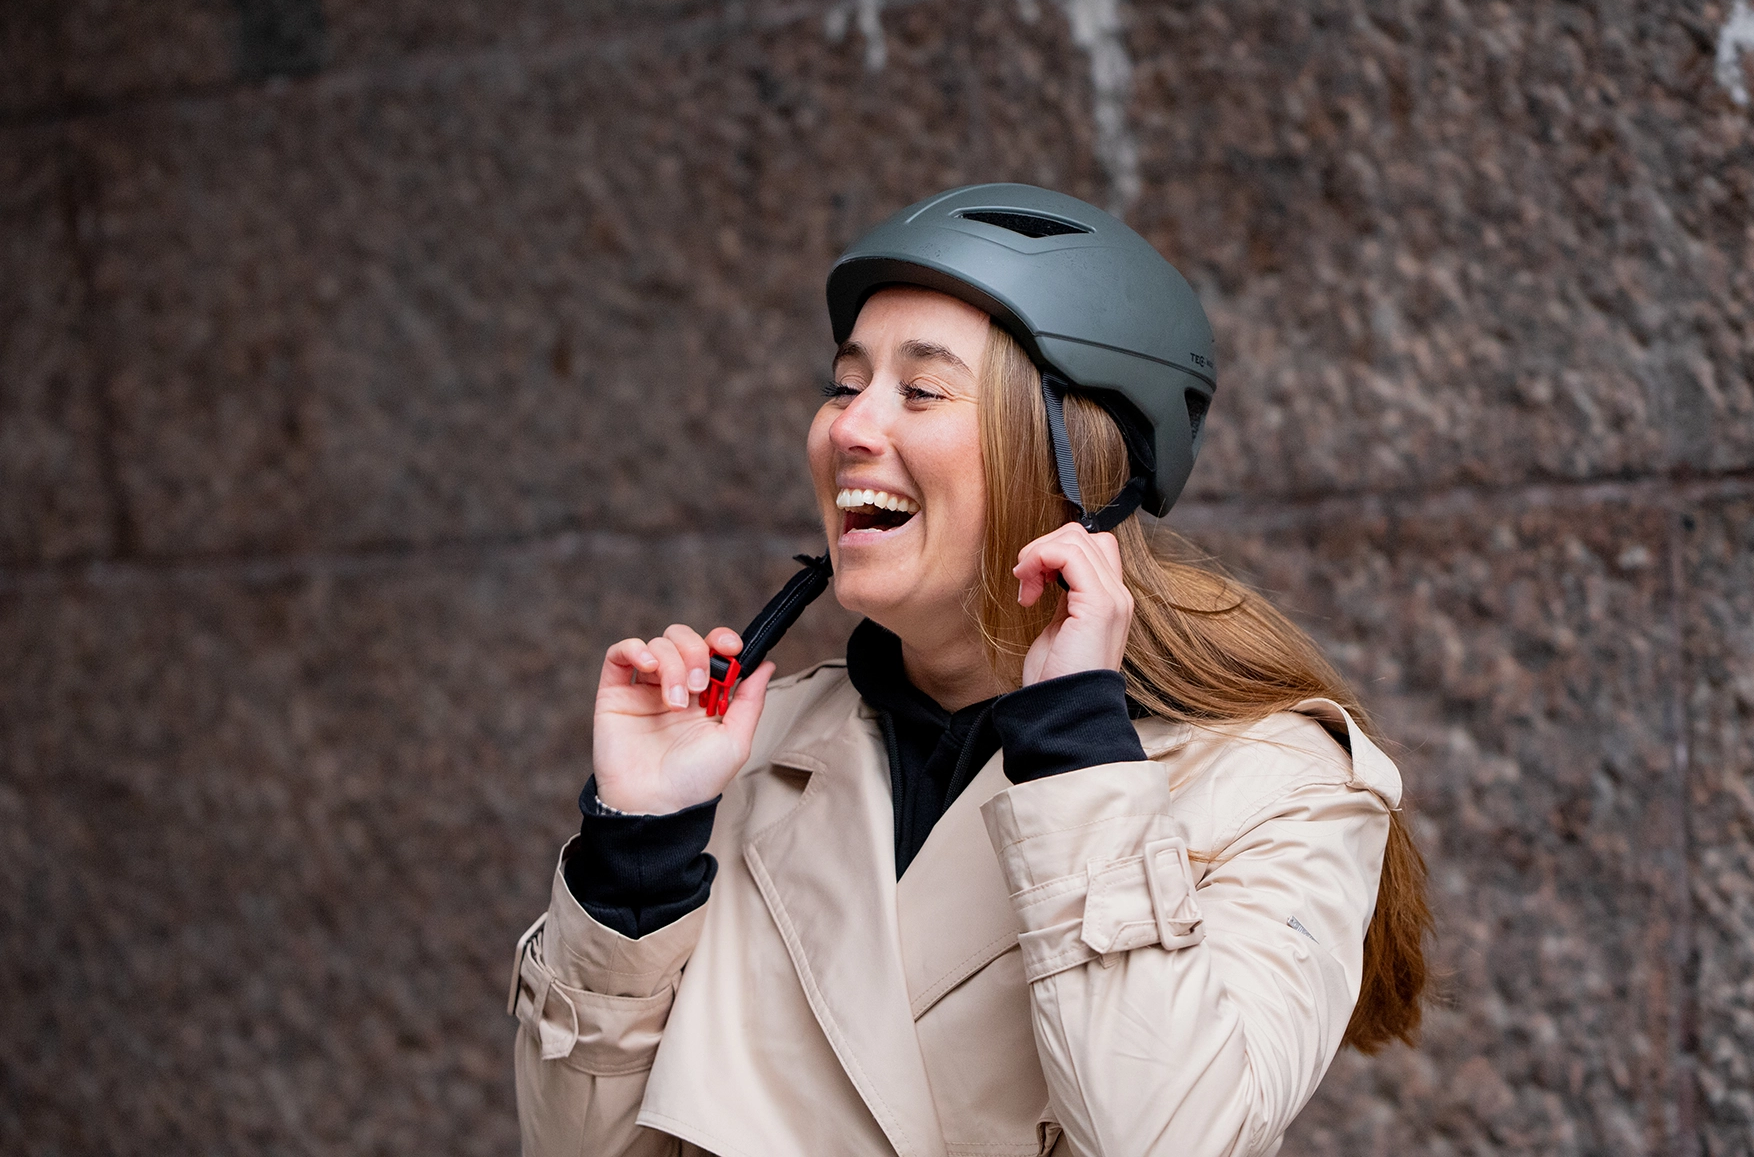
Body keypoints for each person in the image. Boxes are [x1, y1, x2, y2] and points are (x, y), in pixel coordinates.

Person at [509, 184, 1432, 1157]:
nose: (849, 428)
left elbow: (1169, 1138)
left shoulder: (1277, 785)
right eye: (844, 385)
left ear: (1075, 457)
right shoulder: (747, 749)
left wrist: (1077, 752)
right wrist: (640, 854)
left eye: (920, 391)